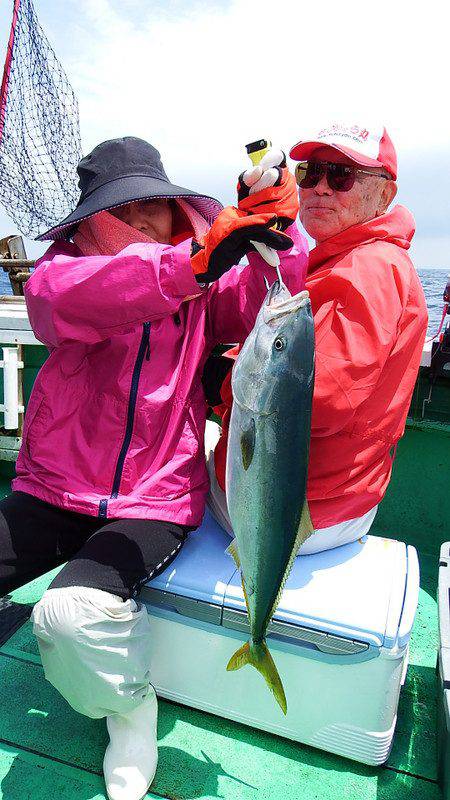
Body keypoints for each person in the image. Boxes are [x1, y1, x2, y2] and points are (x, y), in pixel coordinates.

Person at [0, 136, 307, 800]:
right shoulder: (59, 279)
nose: (140, 221)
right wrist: (190, 263)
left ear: (175, 213)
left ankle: (131, 709)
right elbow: (95, 294)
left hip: (152, 499)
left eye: (154, 208)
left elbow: (268, 299)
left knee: (69, 615)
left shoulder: (200, 287)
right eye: (119, 211)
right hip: (52, 489)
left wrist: (275, 228)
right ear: (86, 227)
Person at [207, 123, 428, 553]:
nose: (321, 189)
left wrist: (217, 379)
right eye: (311, 173)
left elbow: (319, 398)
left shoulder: (369, 269)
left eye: (342, 176)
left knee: (174, 450)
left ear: (384, 195)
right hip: (338, 499)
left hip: (290, 514)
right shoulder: (352, 257)